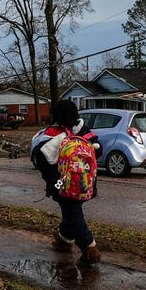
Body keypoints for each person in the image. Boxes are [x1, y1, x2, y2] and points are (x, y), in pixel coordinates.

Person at [32, 99, 101, 266]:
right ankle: (65, 239)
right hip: (87, 183)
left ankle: (89, 249)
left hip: (61, 183)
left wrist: (53, 184)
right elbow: (99, 151)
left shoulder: (52, 134)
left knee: (72, 211)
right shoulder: (84, 131)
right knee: (72, 209)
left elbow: (40, 158)